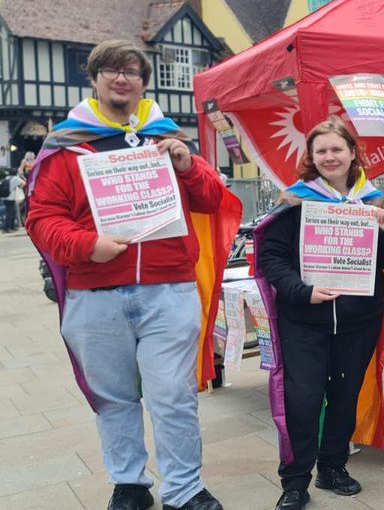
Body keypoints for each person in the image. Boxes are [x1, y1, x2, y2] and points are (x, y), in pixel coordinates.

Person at [24, 40, 231, 510]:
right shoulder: (64, 147)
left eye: (133, 71)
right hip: (95, 294)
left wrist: (189, 167)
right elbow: (42, 218)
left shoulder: (166, 138)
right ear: (94, 78)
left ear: (143, 82)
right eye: (113, 70)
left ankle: (184, 489)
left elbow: (212, 201)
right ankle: (130, 483)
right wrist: (86, 246)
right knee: (113, 398)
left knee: (173, 397)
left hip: (168, 290)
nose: (123, 78)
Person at [255, 117, 384, 510]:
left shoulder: (373, 202)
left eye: (336, 149)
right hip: (304, 320)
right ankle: (294, 481)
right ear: (311, 157)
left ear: (352, 153)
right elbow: (271, 258)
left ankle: (333, 467)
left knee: (344, 398)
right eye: (320, 150)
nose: (329, 156)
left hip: (359, 320)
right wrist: (302, 292)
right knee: (303, 401)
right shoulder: (294, 200)